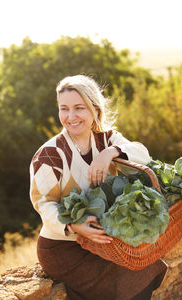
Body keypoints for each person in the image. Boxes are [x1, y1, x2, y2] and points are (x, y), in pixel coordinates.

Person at [30, 74, 167, 300]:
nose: (70, 116)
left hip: (101, 243)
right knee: (128, 284)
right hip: (64, 247)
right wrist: (74, 226)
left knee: (145, 268)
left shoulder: (107, 139)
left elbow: (142, 153)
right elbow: (43, 204)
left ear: (94, 108)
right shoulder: (49, 155)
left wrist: (110, 153)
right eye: (64, 108)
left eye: (79, 108)